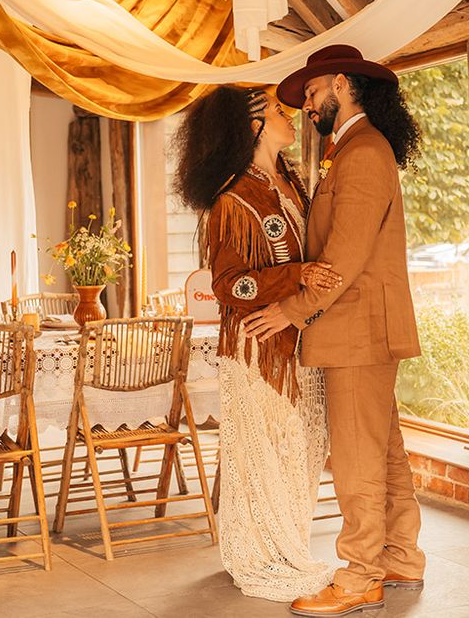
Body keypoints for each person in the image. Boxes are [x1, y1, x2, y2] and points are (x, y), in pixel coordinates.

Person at [243, 45, 426, 617]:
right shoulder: (346, 150)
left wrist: (292, 311)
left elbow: (344, 255)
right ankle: (400, 557)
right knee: (383, 449)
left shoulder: (364, 151)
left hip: (359, 328)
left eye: (314, 93)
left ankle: (359, 576)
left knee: (355, 457)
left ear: (341, 84)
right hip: (361, 327)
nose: (307, 107)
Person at [174, 85, 343, 602]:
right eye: (276, 111)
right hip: (259, 349)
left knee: (304, 446)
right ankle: (264, 553)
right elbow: (230, 285)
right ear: (254, 128)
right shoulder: (234, 197)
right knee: (270, 453)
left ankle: (288, 542)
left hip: (299, 340)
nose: (288, 115)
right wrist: (297, 275)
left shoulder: (290, 182)